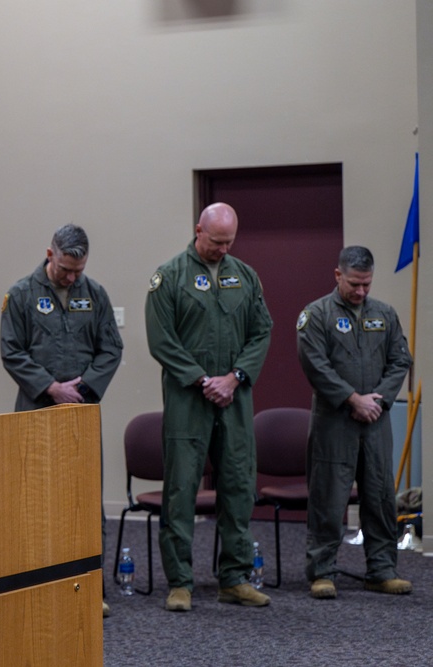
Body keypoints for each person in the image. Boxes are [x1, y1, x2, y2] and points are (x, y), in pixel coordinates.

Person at [144, 202, 273, 612]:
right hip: (188, 399)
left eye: (229, 242)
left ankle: (233, 578)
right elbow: (161, 341)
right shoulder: (169, 277)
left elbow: (261, 332)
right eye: (216, 241)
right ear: (198, 230)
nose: (222, 248)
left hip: (235, 397)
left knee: (237, 487)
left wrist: (234, 377)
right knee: (181, 489)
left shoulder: (245, 276)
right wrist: (203, 380)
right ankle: (180, 582)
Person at [0, 223, 123, 617]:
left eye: (78, 270)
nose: (72, 277)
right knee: (36, 498)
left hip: (81, 413)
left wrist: (84, 387)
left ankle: (91, 588)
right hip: (36, 411)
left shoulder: (95, 294)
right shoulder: (21, 295)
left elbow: (111, 349)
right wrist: (51, 388)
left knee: (85, 501)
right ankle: (35, 586)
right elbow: (11, 352)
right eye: (66, 268)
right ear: (50, 253)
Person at [296, 246, 412, 599]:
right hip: (335, 421)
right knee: (328, 498)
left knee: (379, 497)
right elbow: (315, 364)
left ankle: (381, 569)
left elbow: (400, 359)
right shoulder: (317, 315)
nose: (361, 291)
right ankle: (322, 572)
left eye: (366, 284)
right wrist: (352, 399)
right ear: (338, 276)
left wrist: (377, 399)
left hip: (375, 420)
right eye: (354, 284)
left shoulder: (384, 314)